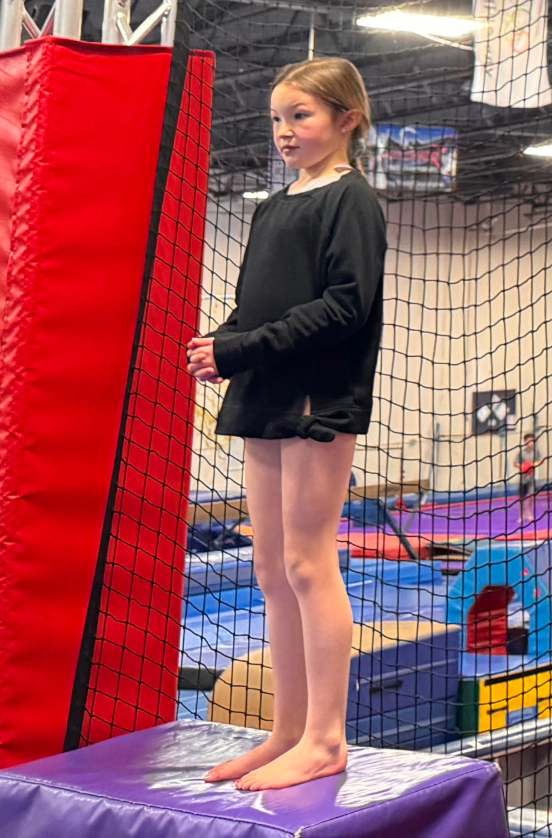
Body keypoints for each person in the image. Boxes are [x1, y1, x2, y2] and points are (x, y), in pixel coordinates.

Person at [187, 58, 389, 790]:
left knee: (308, 561)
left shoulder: (351, 201)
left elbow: (344, 306)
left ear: (347, 120)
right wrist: (223, 343)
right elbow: (260, 305)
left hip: (316, 395)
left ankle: (328, 738)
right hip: (266, 389)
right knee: (270, 567)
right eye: (276, 118)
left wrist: (241, 346)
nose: (283, 131)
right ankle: (287, 730)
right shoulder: (274, 207)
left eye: (300, 115)